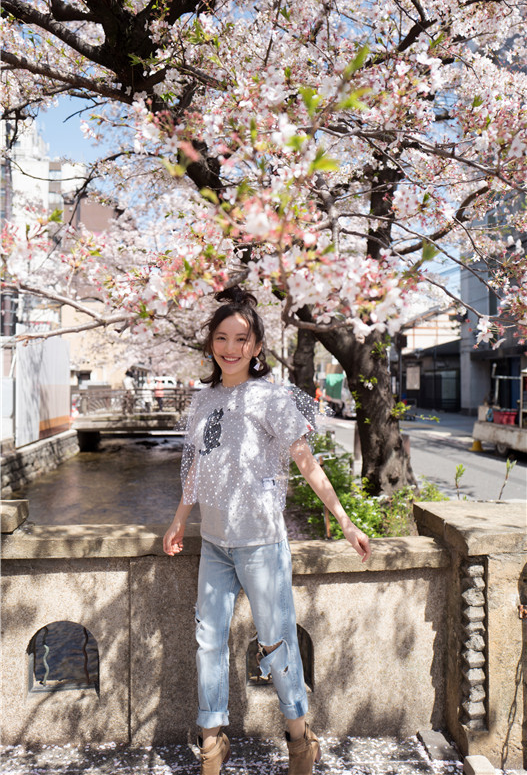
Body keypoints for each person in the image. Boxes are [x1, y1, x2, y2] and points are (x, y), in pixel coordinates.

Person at [163, 286, 371, 775]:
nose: (230, 348)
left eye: (242, 339)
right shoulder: (204, 400)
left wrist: (345, 522)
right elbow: (197, 468)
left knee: (276, 642)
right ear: (211, 343)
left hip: (261, 543)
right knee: (208, 642)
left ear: (257, 346)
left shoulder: (273, 397)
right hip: (215, 543)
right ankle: (211, 743)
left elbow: (306, 463)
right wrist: (179, 519)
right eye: (222, 338)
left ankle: (299, 740)